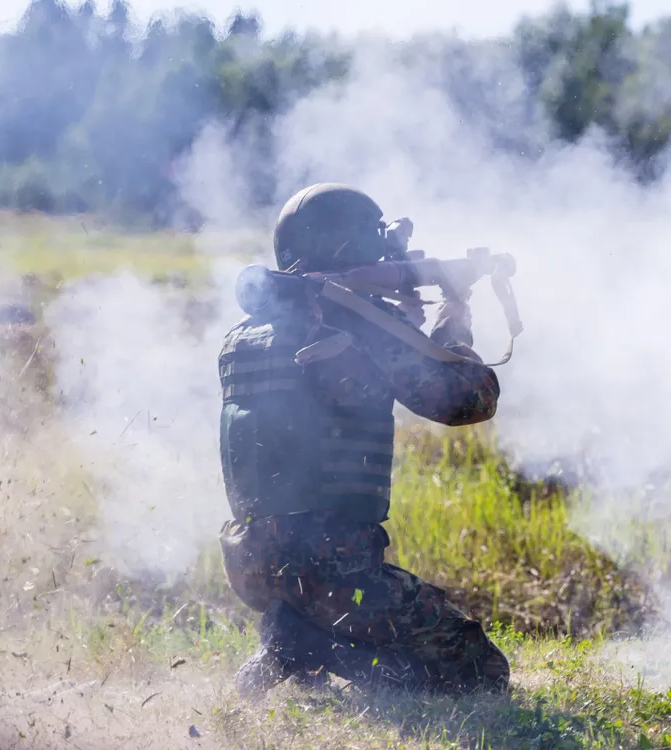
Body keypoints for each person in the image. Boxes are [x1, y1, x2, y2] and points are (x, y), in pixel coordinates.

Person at [217, 182, 510, 700]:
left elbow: (356, 379)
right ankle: (309, 644)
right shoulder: (351, 315)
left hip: (256, 567)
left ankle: (294, 632)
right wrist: (453, 324)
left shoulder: (242, 336)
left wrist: (406, 321)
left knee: (349, 611)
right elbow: (467, 400)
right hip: (336, 569)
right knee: (481, 673)